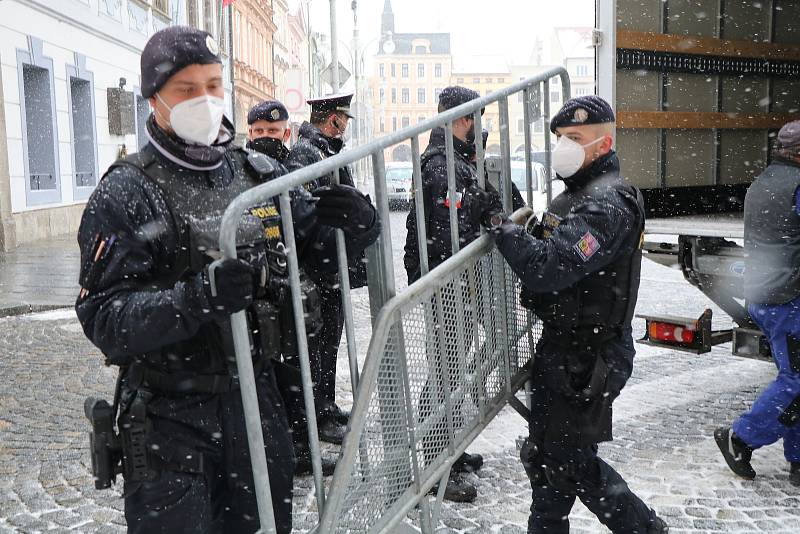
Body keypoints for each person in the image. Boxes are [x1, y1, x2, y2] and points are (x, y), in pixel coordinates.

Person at [75, 26, 379, 533]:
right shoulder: (128, 190)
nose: (205, 100)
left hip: (256, 403)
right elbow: (102, 316)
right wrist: (193, 300)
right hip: (170, 419)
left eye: (214, 85)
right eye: (186, 90)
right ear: (155, 98)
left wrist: (355, 225)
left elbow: (318, 256)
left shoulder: (255, 174)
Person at [472, 95, 668, 533]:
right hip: (566, 347)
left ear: (603, 144)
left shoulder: (607, 203)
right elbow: (549, 246)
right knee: (546, 460)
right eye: (560, 137)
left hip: (590, 355)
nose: (564, 145)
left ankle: (646, 529)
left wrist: (499, 227)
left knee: (567, 463)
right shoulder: (580, 194)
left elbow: (547, 268)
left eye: (575, 138)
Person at [403, 86, 499, 503]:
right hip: (448, 284)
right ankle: (436, 465)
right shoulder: (442, 166)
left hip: (456, 283)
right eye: (474, 117)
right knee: (443, 373)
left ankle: (450, 452)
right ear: (463, 118)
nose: (478, 125)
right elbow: (446, 235)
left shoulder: (454, 161)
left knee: (452, 370)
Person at [245, 99, 337, 476]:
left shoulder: (291, 171)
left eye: (273, 131)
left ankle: (299, 448)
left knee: (300, 371)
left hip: (293, 287)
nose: (265, 137)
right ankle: (267, 451)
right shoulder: (240, 172)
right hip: (255, 289)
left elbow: (309, 224)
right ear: (249, 134)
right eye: (259, 132)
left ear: (286, 132)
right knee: (263, 375)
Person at [715, 120, 800, 488]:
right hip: (789, 298)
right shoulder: (798, 186)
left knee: (793, 377)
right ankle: (742, 438)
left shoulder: (763, 181)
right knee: (796, 379)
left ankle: (798, 461)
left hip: (764, 293)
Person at [285, 93, 366, 445]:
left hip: (332, 269)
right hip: (318, 270)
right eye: (343, 118)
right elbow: (310, 215)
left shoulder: (327, 151)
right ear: (332, 119)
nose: (345, 125)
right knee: (317, 346)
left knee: (330, 342)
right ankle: (316, 414)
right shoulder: (307, 154)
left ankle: (327, 405)